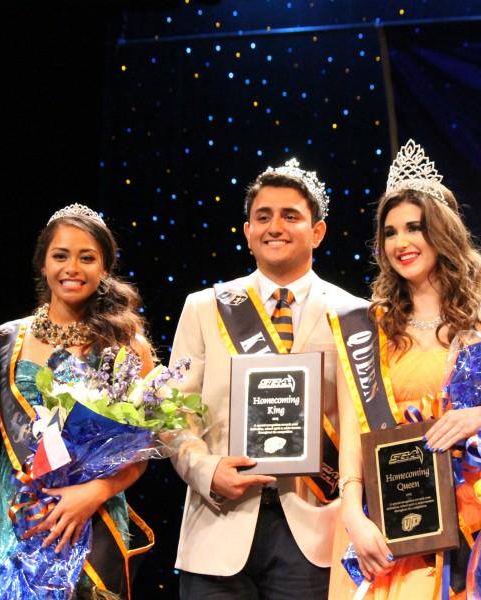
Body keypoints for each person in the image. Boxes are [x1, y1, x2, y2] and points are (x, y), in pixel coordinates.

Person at [329, 140, 481, 598]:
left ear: (443, 232)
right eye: (390, 232)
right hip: (391, 528)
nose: (401, 242)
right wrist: (352, 514)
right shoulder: (366, 329)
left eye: (414, 227)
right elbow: (355, 440)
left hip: (479, 520)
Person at [168, 158, 357, 599]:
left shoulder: (355, 314)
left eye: (291, 215)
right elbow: (172, 412)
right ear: (248, 231)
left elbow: (363, 424)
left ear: (318, 231)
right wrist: (207, 469)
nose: (275, 226)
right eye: (263, 217)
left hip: (315, 531)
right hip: (217, 525)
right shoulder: (204, 307)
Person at [0, 203, 153, 598]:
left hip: (93, 513)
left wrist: (96, 493)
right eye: (60, 256)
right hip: (17, 512)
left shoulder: (127, 347)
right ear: (43, 264)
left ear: (105, 268)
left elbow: (144, 448)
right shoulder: (5, 340)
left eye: (87, 257)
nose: (72, 268)